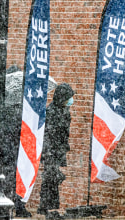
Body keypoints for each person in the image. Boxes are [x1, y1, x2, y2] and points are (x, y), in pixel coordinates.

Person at [37, 83, 75, 216]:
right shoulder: (51, 112)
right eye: (68, 97)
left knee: (51, 178)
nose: (70, 100)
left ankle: (50, 205)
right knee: (51, 177)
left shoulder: (64, 111)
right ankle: (46, 205)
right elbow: (49, 134)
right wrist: (49, 151)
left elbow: (63, 133)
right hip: (51, 150)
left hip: (58, 150)